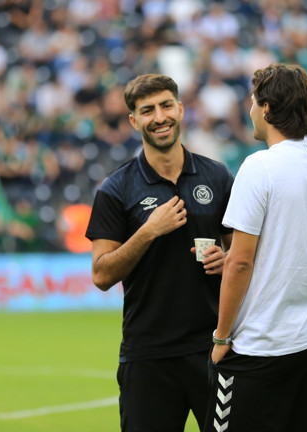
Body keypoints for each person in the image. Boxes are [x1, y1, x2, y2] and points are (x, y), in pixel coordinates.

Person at [205, 64, 307, 432]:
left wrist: (221, 337)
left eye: (253, 102)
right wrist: (291, 279)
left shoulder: (259, 167)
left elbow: (240, 262)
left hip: (261, 346)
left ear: (268, 108)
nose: (250, 110)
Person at [85, 74, 234, 432]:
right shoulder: (116, 188)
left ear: (180, 109)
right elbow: (102, 274)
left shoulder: (217, 177)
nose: (160, 117)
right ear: (134, 121)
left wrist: (227, 260)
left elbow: (243, 252)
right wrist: (148, 230)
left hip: (213, 349)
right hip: (147, 354)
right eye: (147, 110)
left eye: (166, 105)